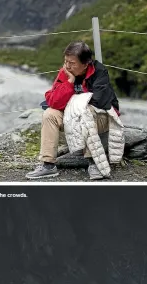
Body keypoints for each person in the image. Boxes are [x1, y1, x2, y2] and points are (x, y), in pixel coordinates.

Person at [26, 41, 120, 181]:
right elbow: (53, 100)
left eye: (72, 63)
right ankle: (48, 165)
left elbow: (99, 101)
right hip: (73, 116)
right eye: (66, 61)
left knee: (86, 111)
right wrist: (70, 82)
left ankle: (93, 163)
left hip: (101, 118)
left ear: (86, 63)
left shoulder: (99, 72)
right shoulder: (66, 72)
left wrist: (72, 102)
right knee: (49, 114)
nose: (68, 66)